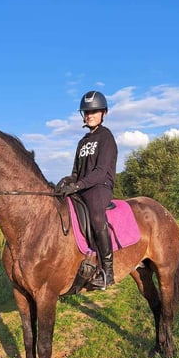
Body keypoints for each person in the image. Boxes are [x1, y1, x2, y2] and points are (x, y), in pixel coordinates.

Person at [56, 91, 118, 289]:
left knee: (96, 216)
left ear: (104, 112)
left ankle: (107, 271)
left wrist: (78, 185)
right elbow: (76, 172)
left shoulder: (106, 138)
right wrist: (68, 181)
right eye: (86, 111)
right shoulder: (82, 142)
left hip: (100, 187)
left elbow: (100, 172)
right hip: (82, 186)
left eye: (94, 111)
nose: (89, 115)